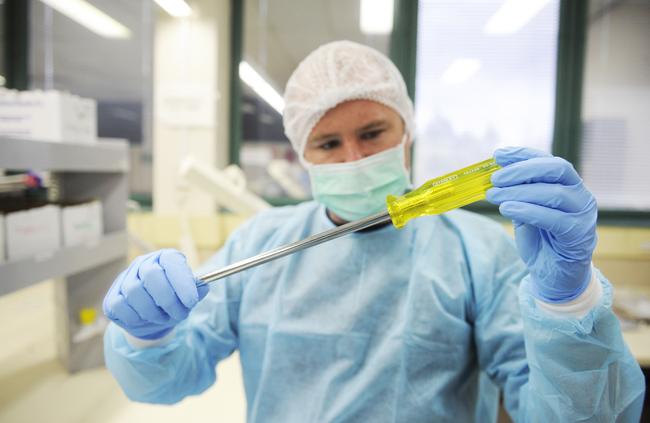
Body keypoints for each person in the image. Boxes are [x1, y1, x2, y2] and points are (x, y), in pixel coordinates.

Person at [102, 41, 645, 422]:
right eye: (329, 144)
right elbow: (169, 378)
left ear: (405, 132)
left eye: (372, 132)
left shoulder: (476, 253)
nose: (355, 157)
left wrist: (570, 305)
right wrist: (146, 336)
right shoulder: (257, 244)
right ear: (302, 155)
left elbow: (583, 418)